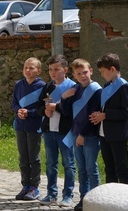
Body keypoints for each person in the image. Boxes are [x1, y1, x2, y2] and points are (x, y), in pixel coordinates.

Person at [60, 58, 102, 210]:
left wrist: (83, 134)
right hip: (76, 133)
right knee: (82, 169)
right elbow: (67, 113)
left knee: (91, 169)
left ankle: (96, 200)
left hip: (89, 135)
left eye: (85, 72)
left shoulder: (96, 90)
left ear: (91, 71)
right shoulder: (76, 90)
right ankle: (84, 198)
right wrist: (64, 98)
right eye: (79, 74)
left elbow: (93, 117)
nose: (83, 76)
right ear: (74, 75)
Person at [37, 54, 76, 207]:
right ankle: (51, 194)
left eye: (57, 69)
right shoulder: (48, 86)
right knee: (50, 163)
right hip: (49, 131)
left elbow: (72, 110)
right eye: (51, 70)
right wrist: (44, 112)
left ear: (65, 70)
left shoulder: (73, 87)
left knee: (68, 164)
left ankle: (68, 195)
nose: (53, 73)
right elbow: (39, 106)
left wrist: (56, 107)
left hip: (65, 130)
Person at [90, 53, 128, 186]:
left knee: (121, 168)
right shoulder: (107, 85)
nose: (102, 74)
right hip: (105, 133)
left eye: (103, 71)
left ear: (112, 69)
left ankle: (126, 199)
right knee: (109, 168)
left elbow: (127, 111)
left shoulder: (123, 86)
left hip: (118, 134)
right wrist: (99, 114)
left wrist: (105, 115)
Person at [11, 57, 45, 200]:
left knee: (34, 157)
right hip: (20, 125)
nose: (28, 70)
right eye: (26, 67)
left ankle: (34, 187)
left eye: (31, 68)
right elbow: (14, 102)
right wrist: (18, 110)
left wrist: (29, 113)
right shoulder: (19, 85)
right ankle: (25, 185)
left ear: (38, 70)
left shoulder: (42, 86)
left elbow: (42, 108)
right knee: (23, 157)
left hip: (34, 126)